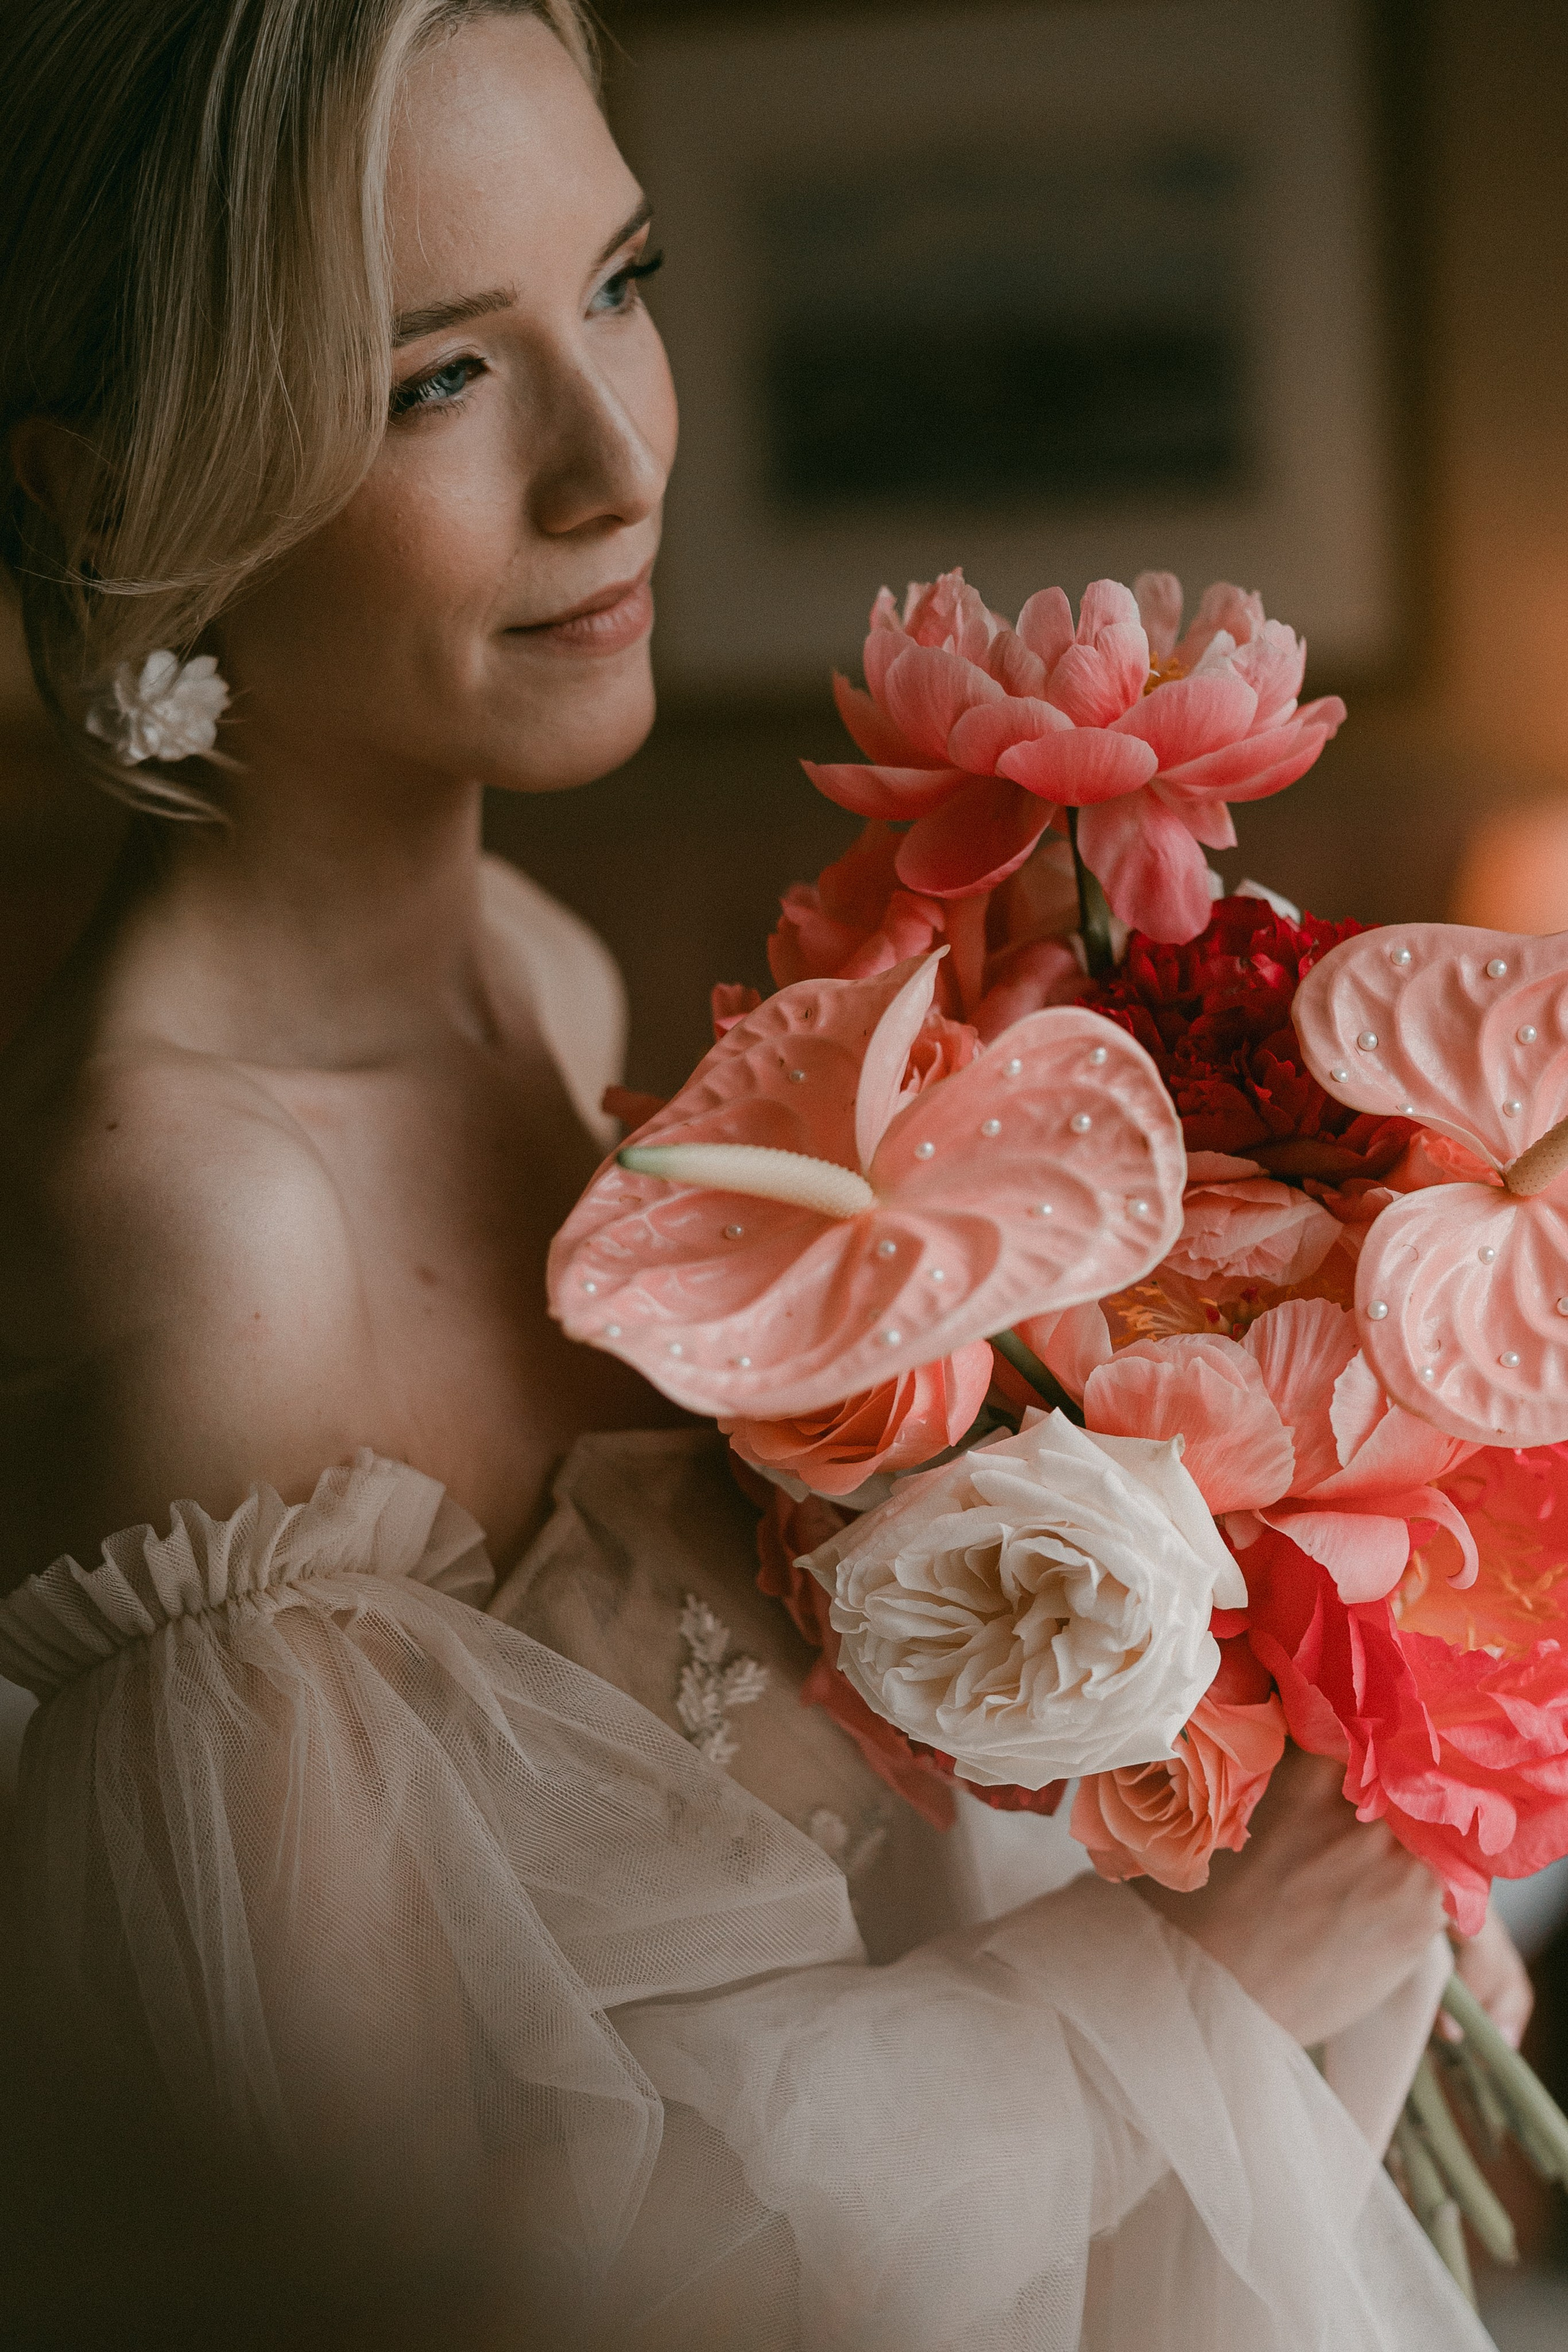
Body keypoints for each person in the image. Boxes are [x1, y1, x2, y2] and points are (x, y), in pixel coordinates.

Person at [0, 4, 1521, 2344]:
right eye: (437, 377)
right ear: (108, 505)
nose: (617, 461)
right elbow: (382, 2284)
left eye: (622, 283)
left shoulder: (546, 977)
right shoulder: (202, 1220)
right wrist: (1182, 1982)